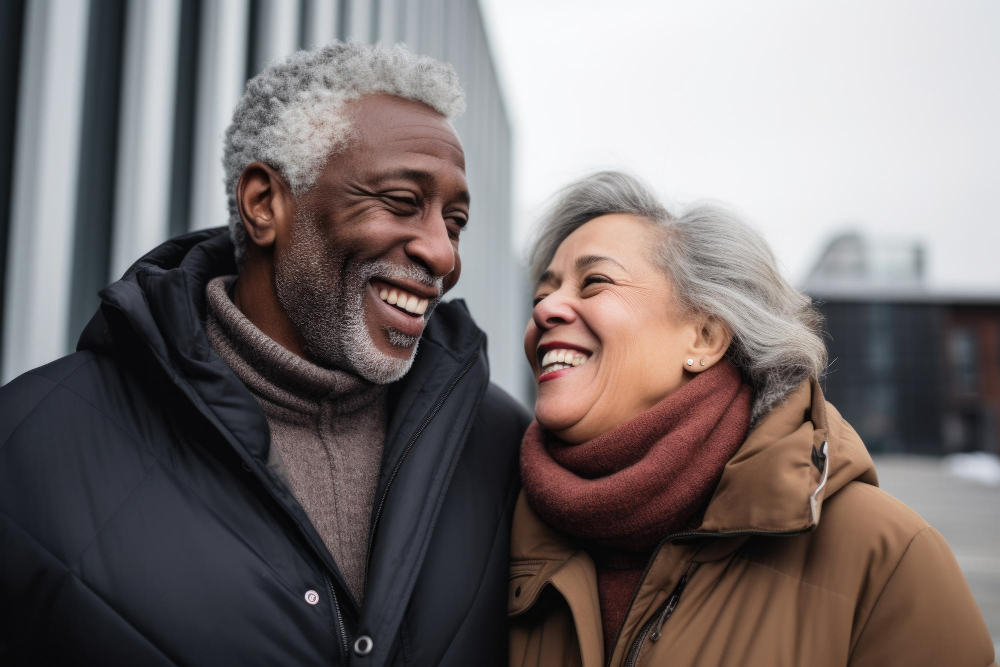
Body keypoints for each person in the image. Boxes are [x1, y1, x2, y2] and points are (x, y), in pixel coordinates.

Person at [0, 42, 529, 666]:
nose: (443, 255)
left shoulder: (505, 450)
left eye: (456, 221)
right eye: (401, 203)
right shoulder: (28, 446)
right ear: (264, 205)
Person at [508, 171, 996, 667]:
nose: (547, 308)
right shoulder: (494, 525)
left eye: (594, 282)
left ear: (703, 336)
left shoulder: (886, 559)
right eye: (541, 295)